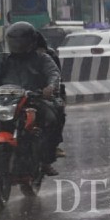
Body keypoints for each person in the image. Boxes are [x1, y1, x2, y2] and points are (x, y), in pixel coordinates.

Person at [0, 22, 62, 176]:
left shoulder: (42, 58)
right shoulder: (2, 59)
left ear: (30, 42)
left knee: (51, 118)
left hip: (34, 100)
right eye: (13, 42)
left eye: (20, 42)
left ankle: (45, 160)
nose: (16, 45)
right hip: (6, 101)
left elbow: (53, 74)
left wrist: (50, 87)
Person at [35, 29, 67, 159]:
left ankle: (49, 151)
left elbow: (55, 74)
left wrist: (50, 87)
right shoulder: (8, 58)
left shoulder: (46, 57)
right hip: (15, 96)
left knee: (55, 114)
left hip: (40, 95)